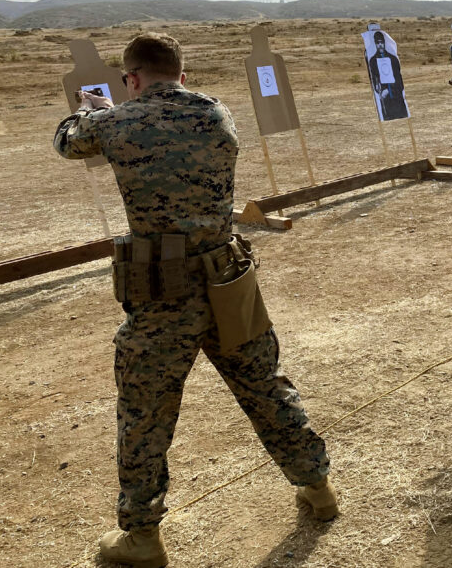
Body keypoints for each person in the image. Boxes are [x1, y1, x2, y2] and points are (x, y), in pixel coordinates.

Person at [54, 33, 336, 567]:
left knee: (145, 413)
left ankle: (142, 536)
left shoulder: (116, 122)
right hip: (226, 277)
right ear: (181, 75)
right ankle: (318, 486)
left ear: (131, 79)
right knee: (265, 387)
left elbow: (68, 141)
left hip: (161, 291)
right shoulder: (217, 113)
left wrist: (93, 111)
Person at [367, 30, 409, 121]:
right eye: (378, 43)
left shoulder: (393, 59)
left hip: (397, 98)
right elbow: (374, 79)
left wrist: (390, 90)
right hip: (385, 101)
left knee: (402, 117)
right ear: (375, 44)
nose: (380, 45)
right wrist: (380, 89)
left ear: (384, 42)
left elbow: (399, 79)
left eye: (381, 42)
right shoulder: (373, 61)